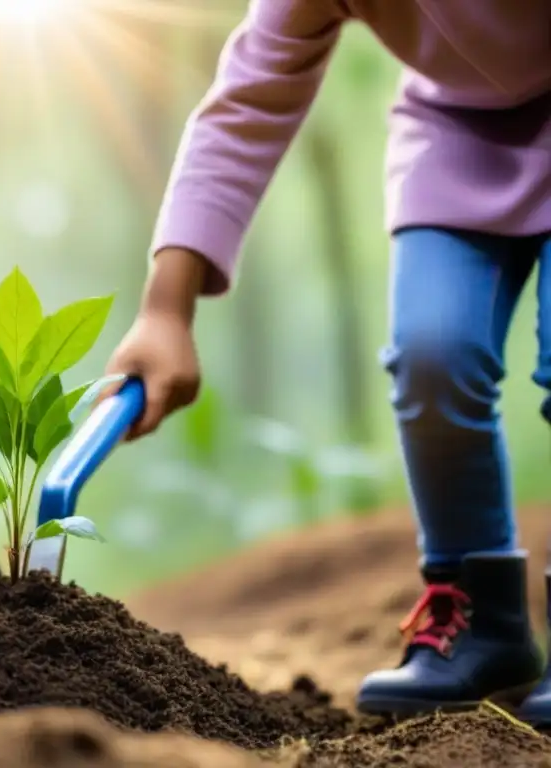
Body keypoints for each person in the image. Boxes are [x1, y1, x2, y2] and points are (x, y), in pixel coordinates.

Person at [102, 0, 551, 722]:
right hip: (456, 135)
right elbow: (247, 101)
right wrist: (166, 308)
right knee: (431, 356)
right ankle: (478, 617)